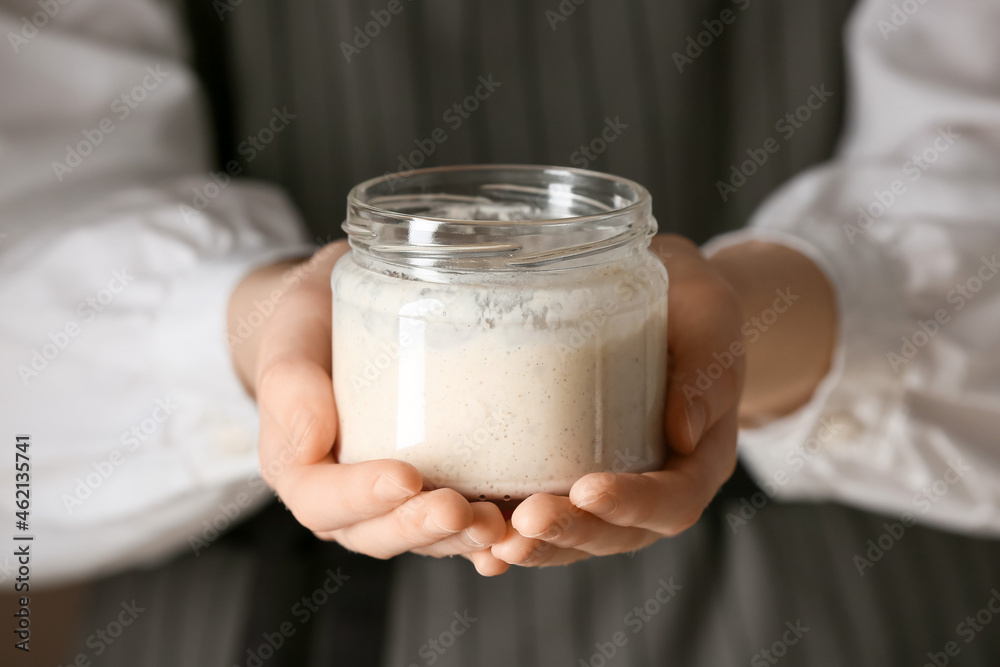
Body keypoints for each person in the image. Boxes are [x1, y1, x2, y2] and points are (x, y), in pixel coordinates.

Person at [1, 0, 999, 664]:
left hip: (844, 609)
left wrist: (769, 322)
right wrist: (255, 335)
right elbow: (20, 403)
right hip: (254, 616)